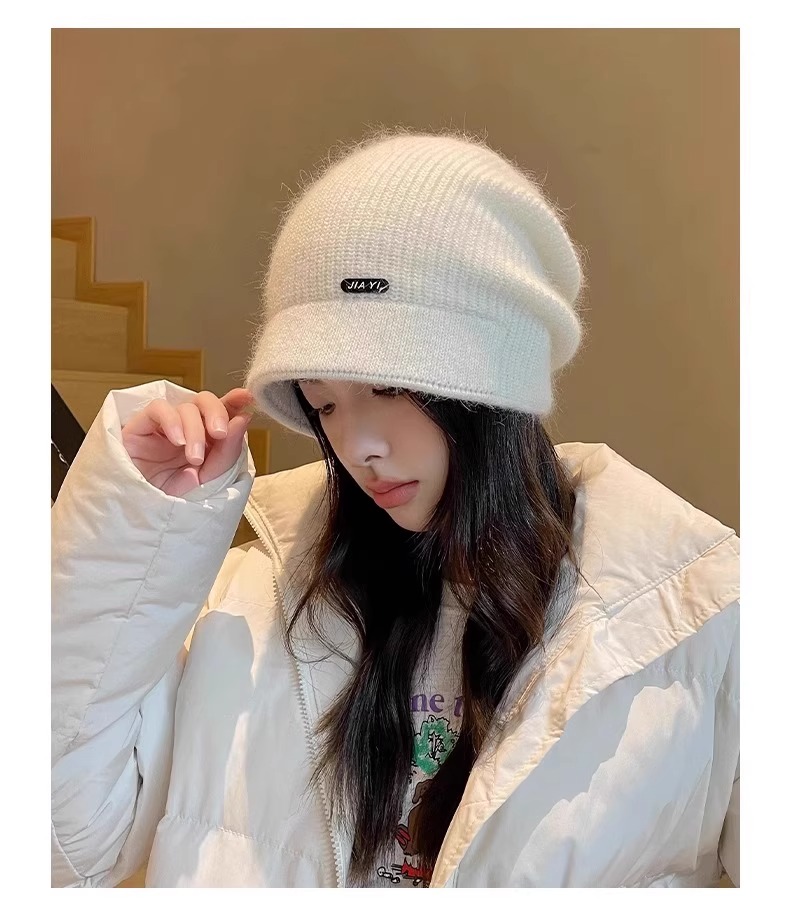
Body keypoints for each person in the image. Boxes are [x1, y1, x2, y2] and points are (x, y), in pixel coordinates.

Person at [51, 127, 740, 888]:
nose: (357, 445)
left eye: (388, 387)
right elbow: (67, 844)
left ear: (496, 386)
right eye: (324, 404)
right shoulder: (250, 604)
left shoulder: (696, 620)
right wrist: (139, 529)